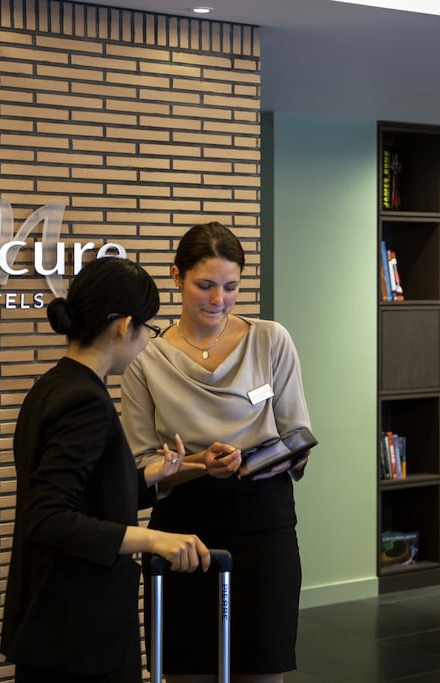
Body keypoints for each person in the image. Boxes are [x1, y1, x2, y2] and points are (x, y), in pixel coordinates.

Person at [0, 257, 211, 683]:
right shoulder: (84, 401)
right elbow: (49, 517)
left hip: (53, 619)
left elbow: (80, 495)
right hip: (78, 628)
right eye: (147, 330)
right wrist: (156, 538)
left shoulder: (52, 386)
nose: (147, 343)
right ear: (123, 326)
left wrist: (152, 477)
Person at [121, 221, 313, 683]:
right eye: (205, 286)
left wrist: (252, 463)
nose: (218, 300)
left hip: (264, 523)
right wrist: (197, 466)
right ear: (176, 276)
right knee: (185, 667)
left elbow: (299, 438)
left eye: (231, 287)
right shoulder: (146, 357)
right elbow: (142, 465)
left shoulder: (271, 340)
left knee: (262, 666)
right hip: (183, 527)